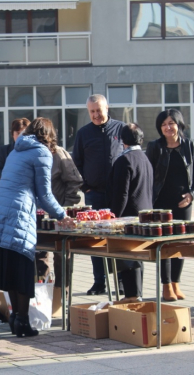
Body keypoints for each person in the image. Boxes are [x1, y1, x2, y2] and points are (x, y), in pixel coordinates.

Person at [0, 118, 75, 337]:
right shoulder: (41, 152)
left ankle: (15, 318)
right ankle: (22, 321)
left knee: (10, 272)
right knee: (21, 270)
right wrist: (62, 214)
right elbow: (45, 194)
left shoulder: (16, 150)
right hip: (16, 215)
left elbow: (30, 191)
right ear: (49, 135)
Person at [72, 94, 125, 296]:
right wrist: (85, 186)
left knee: (119, 238)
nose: (96, 114)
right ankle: (99, 282)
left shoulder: (121, 129)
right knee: (96, 239)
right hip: (94, 194)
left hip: (119, 194)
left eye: (99, 110)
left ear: (107, 108)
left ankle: (121, 280)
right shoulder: (83, 133)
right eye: (92, 111)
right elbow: (76, 163)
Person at [146, 109, 194, 302]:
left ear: (179, 124)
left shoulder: (190, 146)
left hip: (183, 203)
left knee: (180, 245)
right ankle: (166, 285)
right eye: (164, 124)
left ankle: (176, 282)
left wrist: (191, 195)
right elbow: (148, 176)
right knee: (164, 244)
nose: (168, 127)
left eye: (171, 123)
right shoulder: (155, 147)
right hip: (160, 203)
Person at [108, 123, 153, 302]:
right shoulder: (144, 158)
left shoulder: (124, 160)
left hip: (128, 216)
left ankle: (131, 296)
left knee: (127, 255)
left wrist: (113, 216)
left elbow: (121, 193)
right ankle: (136, 294)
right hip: (144, 212)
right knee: (137, 257)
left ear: (121, 140)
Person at [49, 138, 83, 317]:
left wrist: (67, 207)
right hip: (38, 216)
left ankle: (61, 297)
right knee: (39, 257)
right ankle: (43, 297)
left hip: (60, 215)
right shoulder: (29, 153)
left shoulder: (59, 154)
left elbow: (75, 181)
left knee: (62, 256)